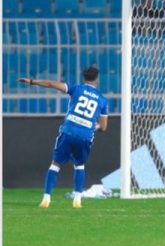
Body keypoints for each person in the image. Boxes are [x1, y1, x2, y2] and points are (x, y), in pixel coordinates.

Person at [20, 67, 109, 209]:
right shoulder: (103, 100)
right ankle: (78, 200)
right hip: (85, 135)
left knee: (55, 164)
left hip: (69, 131)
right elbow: (103, 127)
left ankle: (46, 198)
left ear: (84, 77)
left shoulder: (76, 89)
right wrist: (91, 126)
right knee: (80, 165)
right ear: (97, 79)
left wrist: (32, 81)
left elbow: (51, 84)